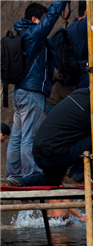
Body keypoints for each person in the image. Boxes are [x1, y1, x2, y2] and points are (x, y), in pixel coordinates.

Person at [1, 79, 93, 187]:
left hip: (40, 152)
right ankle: (77, 176)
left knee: (51, 181)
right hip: (56, 154)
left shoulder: (82, 94)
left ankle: (17, 182)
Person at [6, 1, 69, 180]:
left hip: (19, 91)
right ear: (34, 19)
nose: (45, 25)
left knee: (17, 136)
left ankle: (12, 174)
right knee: (29, 136)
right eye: (41, 20)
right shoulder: (34, 34)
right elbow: (51, 17)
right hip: (32, 91)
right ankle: (31, 174)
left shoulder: (21, 33)